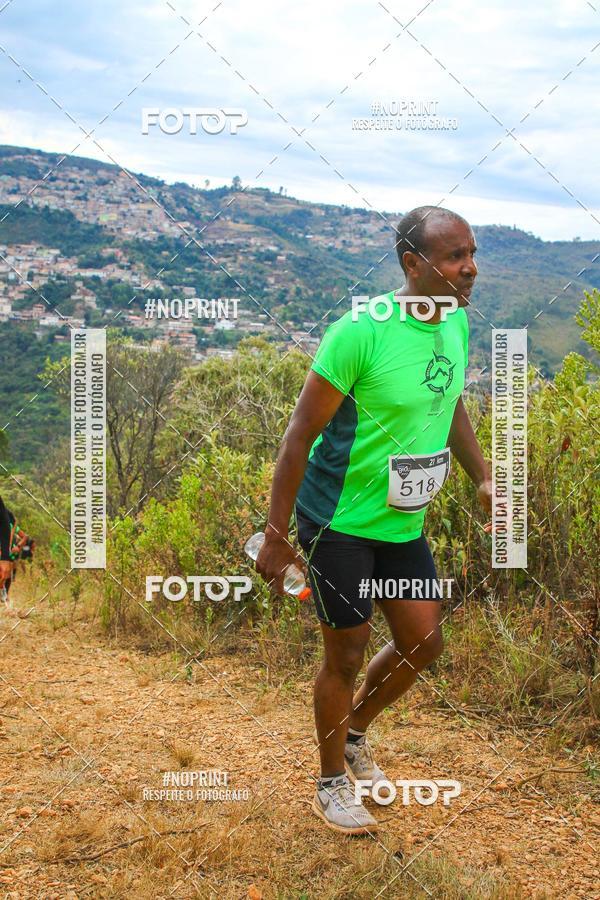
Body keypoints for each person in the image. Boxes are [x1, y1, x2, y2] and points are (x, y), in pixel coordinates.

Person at [256, 206, 492, 834]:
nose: (469, 269)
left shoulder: (455, 322)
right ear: (412, 264)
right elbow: (298, 435)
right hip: (339, 522)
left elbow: (451, 403)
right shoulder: (359, 332)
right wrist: (277, 535)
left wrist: (484, 476)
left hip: (401, 523)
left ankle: (354, 734)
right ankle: (330, 781)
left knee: (423, 641)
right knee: (347, 653)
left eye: (471, 253)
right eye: (452, 257)